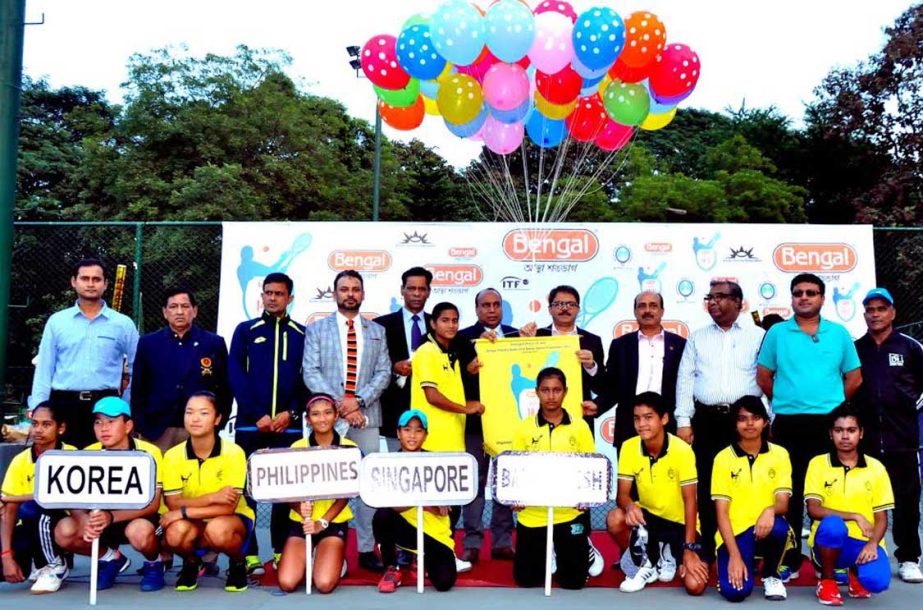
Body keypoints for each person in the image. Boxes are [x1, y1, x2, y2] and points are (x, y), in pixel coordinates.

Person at [758, 273, 863, 577]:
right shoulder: (777, 333)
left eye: (811, 292)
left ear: (822, 298)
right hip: (788, 424)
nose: (804, 297)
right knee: (789, 493)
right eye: (798, 293)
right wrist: (789, 400)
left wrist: (830, 406)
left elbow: (854, 377)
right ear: (792, 298)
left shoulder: (839, 333)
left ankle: (825, 557)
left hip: (826, 426)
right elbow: (764, 376)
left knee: (826, 493)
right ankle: (789, 558)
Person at [303, 270, 392, 572]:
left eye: (356, 289)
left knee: (367, 485)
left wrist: (359, 402)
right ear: (335, 293)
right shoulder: (317, 330)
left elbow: (384, 372)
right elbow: (310, 371)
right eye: (344, 289)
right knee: (321, 483)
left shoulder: (377, 331)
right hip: (327, 420)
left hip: (366, 418)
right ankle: (320, 545)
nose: (350, 294)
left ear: (363, 294)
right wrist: (342, 406)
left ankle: (367, 549)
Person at [675, 280, 765, 562]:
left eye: (720, 297)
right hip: (707, 420)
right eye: (709, 297)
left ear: (739, 302)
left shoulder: (759, 336)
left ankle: (753, 547)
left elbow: (767, 379)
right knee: (707, 484)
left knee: (747, 484)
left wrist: (769, 421)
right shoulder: (698, 337)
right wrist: (683, 419)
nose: (713, 302)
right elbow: (685, 377)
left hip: (746, 421)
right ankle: (709, 549)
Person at [228, 272, 307, 574]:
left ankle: (278, 550)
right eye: (268, 292)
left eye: (279, 293)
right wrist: (256, 413)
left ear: (290, 298)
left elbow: (306, 379)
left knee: (284, 492)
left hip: (288, 427)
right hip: (252, 426)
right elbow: (236, 373)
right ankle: (248, 554)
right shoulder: (246, 330)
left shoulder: (302, 333)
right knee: (248, 490)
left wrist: (292, 412)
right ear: (261, 296)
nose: (273, 298)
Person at [54, 397, 165, 592]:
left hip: (138, 517)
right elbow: (74, 498)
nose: (104, 428)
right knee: (64, 531)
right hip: (101, 518)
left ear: (128, 425)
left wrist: (111, 516)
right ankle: (110, 558)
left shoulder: (149, 452)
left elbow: (153, 504)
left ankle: (155, 563)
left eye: (111, 422)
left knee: (139, 533)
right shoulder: (87, 453)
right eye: (98, 422)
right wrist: (83, 521)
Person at [852, 287, 923, 583]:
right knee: (861, 499)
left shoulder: (910, 347)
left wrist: (909, 405)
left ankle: (908, 557)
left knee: (906, 499)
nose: (875, 314)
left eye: (881, 309)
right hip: (865, 440)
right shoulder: (856, 348)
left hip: (902, 438)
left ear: (893, 312)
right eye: (870, 309)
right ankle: (862, 554)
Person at [29, 258, 139, 448]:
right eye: (85, 278)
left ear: (105, 284)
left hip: (107, 407)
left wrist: (125, 405)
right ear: (74, 282)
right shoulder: (57, 322)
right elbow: (45, 368)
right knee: (62, 465)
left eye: (96, 279)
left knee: (103, 466)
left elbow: (139, 367)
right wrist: (39, 408)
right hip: (63, 404)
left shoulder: (123, 324)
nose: (90, 284)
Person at [606, 392, 708, 595]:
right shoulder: (628, 447)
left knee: (695, 586)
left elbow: (690, 502)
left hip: (681, 525)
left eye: (648, 417)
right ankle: (647, 562)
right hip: (648, 520)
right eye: (637, 418)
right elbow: (622, 495)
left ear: (664, 419)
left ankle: (668, 550)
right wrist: (630, 505)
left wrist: (689, 548)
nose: (641, 424)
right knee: (615, 517)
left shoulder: (683, 450)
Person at [160, 391, 254, 593]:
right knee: (174, 534)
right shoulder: (172, 456)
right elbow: (173, 503)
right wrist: (212, 497)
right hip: (194, 522)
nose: (194, 418)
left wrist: (184, 512)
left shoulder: (234, 452)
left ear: (217, 418)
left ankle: (238, 564)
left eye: (203, 413)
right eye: (189, 412)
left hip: (230, 520)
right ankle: (192, 563)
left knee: (217, 530)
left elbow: (228, 507)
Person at [512, 367, 596, 590]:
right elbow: (515, 471)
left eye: (557, 390)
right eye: (545, 390)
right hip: (532, 515)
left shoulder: (580, 427)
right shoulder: (523, 428)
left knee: (573, 583)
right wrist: (516, 497)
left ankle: (584, 546)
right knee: (526, 580)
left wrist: (585, 498)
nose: (551, 396)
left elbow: (589, 470)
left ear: (565, 392)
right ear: (537, 392)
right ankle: (548, 551)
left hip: (569, 513)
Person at [453, 288, 519, 564]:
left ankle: (503, 541)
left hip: (508, 423)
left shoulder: (517, 336)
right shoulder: (461, 337)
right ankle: (472, 542)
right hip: (473, 423)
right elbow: (453, 379)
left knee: (505, 483)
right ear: (476, 309)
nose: (491, 310)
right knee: (474, 483)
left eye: (496, 305)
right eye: (485, 305)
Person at [805, 404, 893, 605]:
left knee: (876, 582)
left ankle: (856, 572)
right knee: (833, 525)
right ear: (831, 433)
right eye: (839, 430)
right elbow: (814, 509)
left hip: (863, 543)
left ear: (861, 433)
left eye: (851, 430)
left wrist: (872, 544)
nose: (845, 436)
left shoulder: (876, 468)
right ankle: (827, 580)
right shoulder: (818, 464)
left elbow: (881, 518)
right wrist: (855, 515)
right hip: (827, 542)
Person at [712, 396, 794, 602]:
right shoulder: (723, 458)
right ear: (735, 423)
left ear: (765, 421)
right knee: (735, 593)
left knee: (779, 528)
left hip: (765, 527)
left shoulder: (780, 454)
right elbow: (721, 514)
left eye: (756, 417)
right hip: (735, 533)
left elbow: (783, 503)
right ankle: (742, 558)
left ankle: (770, 574)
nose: (749, 423)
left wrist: (769, 510)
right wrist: (735, 556)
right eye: (743, 418)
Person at [132, 287, 231, 453]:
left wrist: (217, 423)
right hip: (157, 430)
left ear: (195, 311)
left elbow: (225, 389)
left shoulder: (213, 343)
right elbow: (138, 389)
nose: (179, 312)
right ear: (164, 312)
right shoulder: (148, 344)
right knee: (158, 478)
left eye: (185, 306)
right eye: (173, 306)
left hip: (199, 429)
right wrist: (141, 424)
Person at [276, 394, 354, 593]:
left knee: (324, 584)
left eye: (328, 413)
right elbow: (287, 491)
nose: (322, 419)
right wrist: (300, 509)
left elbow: (345, 495)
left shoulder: (349, 448)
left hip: (332, 522)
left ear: (336, 415)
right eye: (316, 414)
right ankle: (309, 557)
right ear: (308, 419)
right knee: (287, 582)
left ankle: (334, 560)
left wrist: (323, 523)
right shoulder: (296, 448)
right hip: (302, 522)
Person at [374, 409, 458, 593]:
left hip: (432, 532)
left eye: (419, 430)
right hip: (404, 528)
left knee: (445, 583)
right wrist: (427, 499)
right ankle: (391, 567)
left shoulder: (437, 464)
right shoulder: (387, 465)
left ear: (426, 435)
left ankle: (422, 559)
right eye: (407, 429)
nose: (412, 435)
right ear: (398, 433)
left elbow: (451, 508)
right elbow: (390, 505)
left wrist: (432, 504)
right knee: (382, 515)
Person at [1, 403, 74, 594]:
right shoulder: (20, 460)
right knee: (6, 568)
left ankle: (54, 565)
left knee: (31, 507)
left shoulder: (73, 455)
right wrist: (6, 556)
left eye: (46, 424)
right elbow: (8, 508)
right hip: (26, 526)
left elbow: (52, 497)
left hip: (64, 523)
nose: (38, 430)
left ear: (61, 428)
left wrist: (17, 499)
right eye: (35, 424)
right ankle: (32, 563)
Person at [601, 291, 686, 450]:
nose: (647, 310)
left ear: (662, 311)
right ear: (635, 312)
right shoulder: (620, 345)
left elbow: (686, 386)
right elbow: (612, 387)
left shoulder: (681, 345)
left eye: (653, 306)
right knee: (629, 473)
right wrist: (596, 405)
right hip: (630, 425)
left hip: (668, 424)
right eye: (642, 306)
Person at [411, 302, 484, 454]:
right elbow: (432, 396)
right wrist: (465, 409)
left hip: (454, 439)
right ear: (433, 323)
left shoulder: (451, 353)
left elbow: (450, 393)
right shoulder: (426, 351)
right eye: (445, 320)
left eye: (455, 320)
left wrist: (467, 403)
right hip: (431, 441)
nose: (451, 325)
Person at [374, 267, 433, 452]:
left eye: (422, 289)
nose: (416, 293)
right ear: (402, 290)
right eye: (411, 288)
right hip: (393, 413)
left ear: (428, 292)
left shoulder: (439, 325)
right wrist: (393, 367)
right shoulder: (381, 325)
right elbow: (371, 366)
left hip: (432, 411)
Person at [535, 285, 605, 423]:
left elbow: (602, 387)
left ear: (578, 309)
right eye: (559, 304)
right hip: (539, 417)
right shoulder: (536, 337)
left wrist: (591, 366)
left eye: (570, 304)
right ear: (550, 309)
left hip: (579, 417)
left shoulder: (592, 341)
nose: (565, 308)